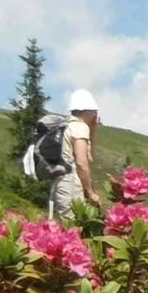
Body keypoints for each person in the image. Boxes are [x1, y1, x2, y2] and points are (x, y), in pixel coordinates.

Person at [50, 89, 99, 218]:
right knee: (73, 227)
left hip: (61, 182)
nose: (95, 115)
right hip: (71, 184)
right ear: (86, 110)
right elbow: (81, 162)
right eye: (94, 111)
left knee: (68, 226)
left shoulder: (67, 125)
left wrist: (93, 130)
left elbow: (89, 157)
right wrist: (90, 192)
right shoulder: (80, 127)